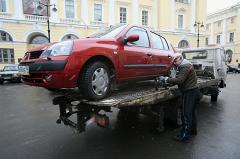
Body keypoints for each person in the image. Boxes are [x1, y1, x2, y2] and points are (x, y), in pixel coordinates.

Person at [159, 53, 199, 142]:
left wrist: (165, 79)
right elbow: (180, 79)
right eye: (173, 62)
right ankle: (192, 130)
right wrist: (170, 81)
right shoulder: (186, 65)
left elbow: (180, 80)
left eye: (175, 61)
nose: (175, 63)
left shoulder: (184, 66)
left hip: (189, 92)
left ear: (181, 58)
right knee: (191, 113)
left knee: (185, 114)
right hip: (193, 91)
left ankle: (184, 136)